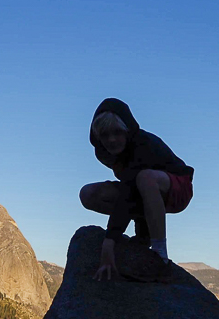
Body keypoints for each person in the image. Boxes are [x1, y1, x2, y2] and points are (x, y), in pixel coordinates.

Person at [80, 98, 194, 281]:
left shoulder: (142, 145)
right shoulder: (103, 152)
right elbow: (130, 188)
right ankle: (144, 237)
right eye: (105, 134)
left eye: (117, 132)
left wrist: (110, 241)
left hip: (177, 187)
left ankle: (159, 256)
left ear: (127, 130)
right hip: (142, 189)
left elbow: (129, 190)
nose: (111, 140)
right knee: (89, 194)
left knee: (145, 178)